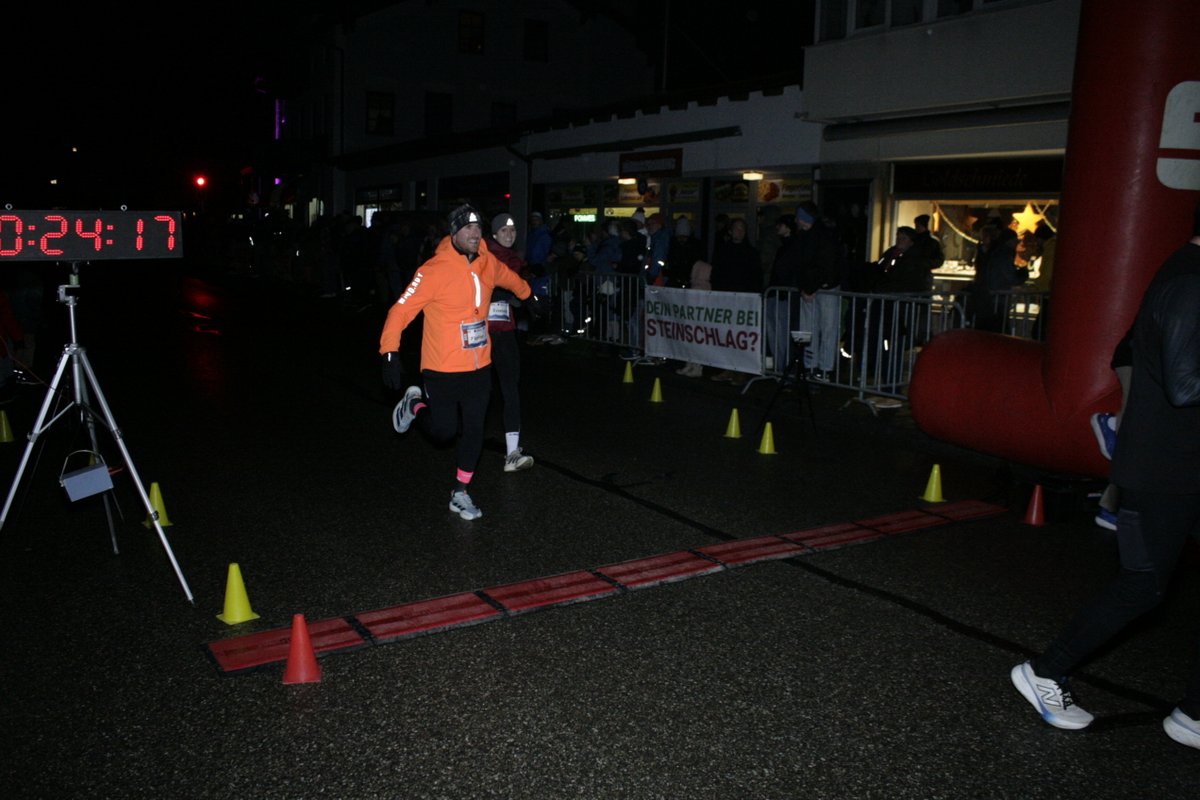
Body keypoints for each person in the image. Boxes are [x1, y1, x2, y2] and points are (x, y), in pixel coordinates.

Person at [1010, 202, 1200, 751]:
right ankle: (1046, 670)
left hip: (1179, 466)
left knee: (1146, 584)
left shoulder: (1187, 275)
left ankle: (1194, 714)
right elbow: (1185, 385)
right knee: (1143, 585)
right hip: (1166, 471)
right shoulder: (1190, 282)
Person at [380, 204, 537, 521]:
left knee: (475, 429)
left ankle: (460, 492)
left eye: (478, 228)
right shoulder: (433, 270)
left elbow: (509, 278)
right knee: (444, 432)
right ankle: (414, 405)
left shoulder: (487, 261)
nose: (474, 233)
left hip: (479, 366)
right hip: (442, 367)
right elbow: (400, 311)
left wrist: (529, 295)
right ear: (453, 232)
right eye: (467, 228)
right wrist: (390, 352)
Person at [486, 213, 535, 472]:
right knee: (474, 391)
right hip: (480, 334)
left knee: (510, 388)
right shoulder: (484, 256)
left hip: (504, 331)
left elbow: (515, 291)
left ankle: (512, 454)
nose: (509, 234)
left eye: (512, 230)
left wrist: (521, 299)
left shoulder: (515, 260)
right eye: (503, 230)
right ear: (494, 234)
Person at [701, 217, 760, 382]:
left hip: (743, 301)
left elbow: (756, 278)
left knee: (741, 336)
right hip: (725, 300)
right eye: (736, 228)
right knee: (726, 336)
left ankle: (741, 370)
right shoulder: (723, 251)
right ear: (730, 231)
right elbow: (716, 274)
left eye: (742, 229)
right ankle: (727, 368)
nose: (739, 232)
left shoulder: (751, 253)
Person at [794, 202, 843, 382]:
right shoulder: (815, 235)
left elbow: (823, 264)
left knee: (824, 328)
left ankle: (821, 368)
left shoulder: (817, 236)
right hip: (817, 287)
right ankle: (816, 367)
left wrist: (809, 287)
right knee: (815, 328)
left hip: (822, 287)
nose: (796, 220)